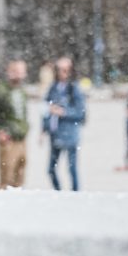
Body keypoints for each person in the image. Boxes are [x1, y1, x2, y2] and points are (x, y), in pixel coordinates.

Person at [0, 59, 30, 189]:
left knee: (20, 177)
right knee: (6, 178)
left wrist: (25, 128)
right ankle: (3, 205)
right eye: (15, 71)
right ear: (8, 72)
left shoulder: (21, 91)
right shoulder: (1, 90)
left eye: (21, 71)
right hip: (8, 140)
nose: (18, 74)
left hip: (22, 139)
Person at [42, 56, 86, 191]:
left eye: (66, 70)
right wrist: (43, 128)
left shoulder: (75, 88)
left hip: (70, 134)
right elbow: (45, 109)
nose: (63, 73)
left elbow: (81, 113)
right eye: (60, 70)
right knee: (51, 169)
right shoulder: (53, 87)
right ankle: (58, 192)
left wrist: (64, 112)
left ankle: (75, 193)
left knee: (72, 169)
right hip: (55, 133)